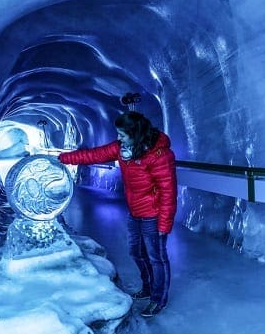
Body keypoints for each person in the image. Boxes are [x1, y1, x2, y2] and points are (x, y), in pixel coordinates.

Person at [58, 111, 177, 318]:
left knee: (157, 257)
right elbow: (93, 155)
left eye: (122, 134)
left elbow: (168, 192)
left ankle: (158, 299)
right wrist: (63, 158)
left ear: (136, 133)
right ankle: (148, 287)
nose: (119, 138)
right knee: (136, 252)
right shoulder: (123, 149)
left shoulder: (159, 155)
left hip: (154, 214)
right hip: (135, 212)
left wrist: (164, 225)